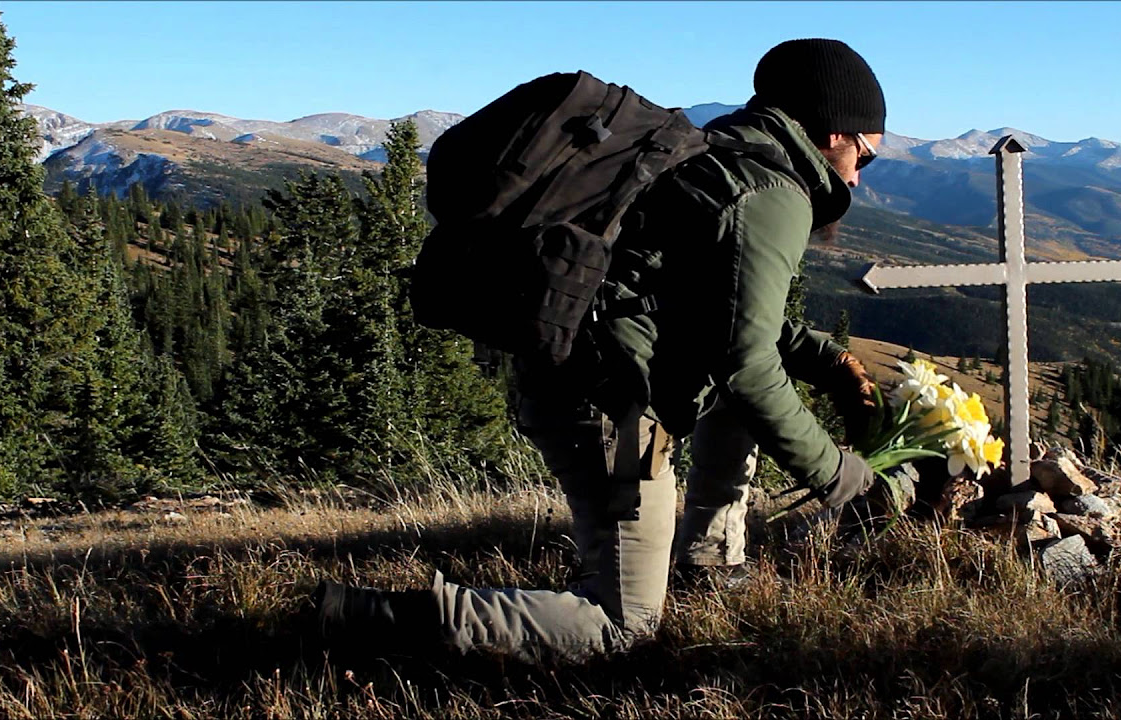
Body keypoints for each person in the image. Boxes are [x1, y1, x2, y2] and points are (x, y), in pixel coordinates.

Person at [314, 38, 887, 663]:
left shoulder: (715, 155)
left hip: (575, 376)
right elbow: (748, 367)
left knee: (724, 402)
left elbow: (721, 313)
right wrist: (845, 480)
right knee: (624, 625)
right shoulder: (771, 192)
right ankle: (364, 619)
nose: (858, 177)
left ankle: (709, 562)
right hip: (611, 407)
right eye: (865, 155)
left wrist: (827, 360)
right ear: (834, 132)